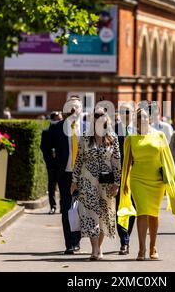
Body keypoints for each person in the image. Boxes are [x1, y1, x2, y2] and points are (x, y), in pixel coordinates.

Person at [118, 103, 175, 261]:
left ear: (149, 119)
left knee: (154, 215)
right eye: (138, 117)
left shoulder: (160, 135)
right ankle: (141, 249)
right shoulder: (130, 138)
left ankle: (153, 247)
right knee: (142, 212)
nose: (141, 119)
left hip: (156, 181)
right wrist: (125, 183)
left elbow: (167, 160)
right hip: (138, 180)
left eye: (144, 117)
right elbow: (127, 163)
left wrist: (171, 182)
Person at [71, 107, 121, 260]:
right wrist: (74, 181)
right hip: (88, 181)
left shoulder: (112, 137)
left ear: (107, 118)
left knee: (104, 216)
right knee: (90, 214)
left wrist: (117, 183)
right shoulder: (85, 137)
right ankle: (95, 249)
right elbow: (79, 160)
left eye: (102, 115)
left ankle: (99, 247)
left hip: (107, 182)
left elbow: (116, 161)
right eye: (97, 115)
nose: (99, 117)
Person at [45, 96, 83, 254]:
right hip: (65, 175)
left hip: (84, 176)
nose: (74, 110)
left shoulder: (89, 128)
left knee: (82, 209)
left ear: (81, 110)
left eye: (77, 107)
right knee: (67, 208)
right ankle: (70, 243)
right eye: (71, 107)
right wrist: (54, 170)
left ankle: (77, 239)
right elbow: (47, 150)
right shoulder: (56, 128)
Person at [114, 102, 136, 255]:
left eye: (128, 112)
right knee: (119, 208)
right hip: (119, 175)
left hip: (136, 175)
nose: (125, 115)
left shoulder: (140, 130)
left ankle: (127, 235)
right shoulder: (113, 130)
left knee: (133, 208)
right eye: (123, 112)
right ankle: (124, 241)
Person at [40, 111, 63, 215]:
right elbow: (43, 148)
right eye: (58, 119)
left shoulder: (64, 131)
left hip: (62, 163)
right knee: (52, 185)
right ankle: (53, 206)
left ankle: (63, 206)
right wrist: (49, 158)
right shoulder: (46, 132)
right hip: (51, 163)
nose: (60, 121)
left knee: (63, 186)